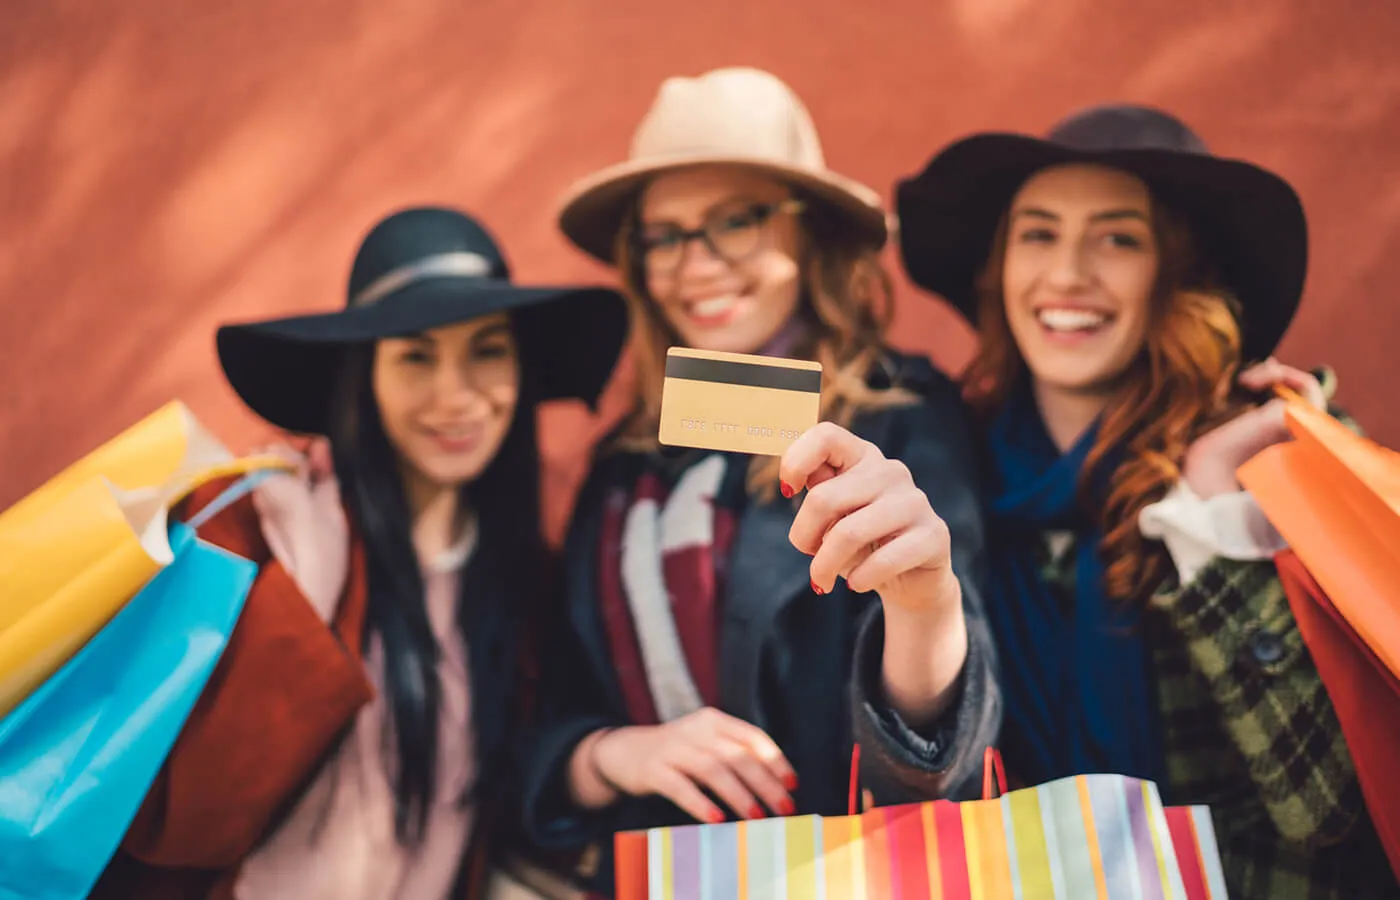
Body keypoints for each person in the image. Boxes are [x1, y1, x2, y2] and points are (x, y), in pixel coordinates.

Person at [891, 103, 1397, 897]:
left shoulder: (1285, 466)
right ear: (998, 267)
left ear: (1180, 272)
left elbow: (1334, 810)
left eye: (1119, 238)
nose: (1067, 275)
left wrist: (1211, 525)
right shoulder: (951, 477)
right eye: (1038, 233)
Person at [517, 67, 1000, 896]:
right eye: (662, 236)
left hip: (849, 873)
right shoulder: (624, 464)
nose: (693, 265)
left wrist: (925, 605)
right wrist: (611, 753)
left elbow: (952, 729)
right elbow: (556, 703)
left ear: (809, 235)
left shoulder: (901, 418)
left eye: (733, 222)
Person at [92, 206, 629, 900]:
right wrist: (299, 607)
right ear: (364, 375)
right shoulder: (261, 531)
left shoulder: (528, 582)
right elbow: (192, 822)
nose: (456, 395)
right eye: (415, 355)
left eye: (488, 350)